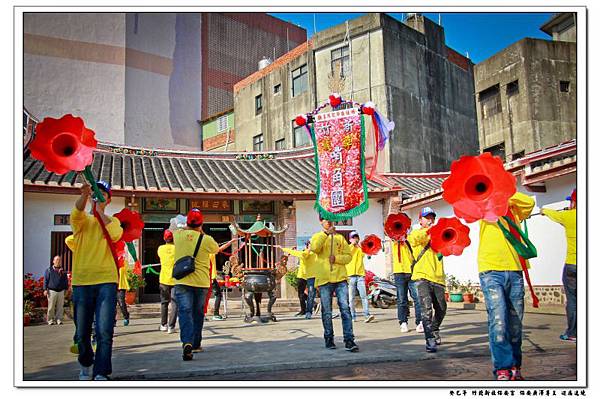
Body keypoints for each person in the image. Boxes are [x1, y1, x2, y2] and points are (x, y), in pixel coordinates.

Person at [478, 192, 535, 381]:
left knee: (516, 324)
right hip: (490, 270)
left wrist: (507, 194)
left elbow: (528, 203)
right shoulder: (483, 203)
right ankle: (502, 368)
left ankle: (515, 366)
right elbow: (466, 208)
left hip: (515, 270)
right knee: (499, 320)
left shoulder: (514, 207)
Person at [70, 180, 123, 381]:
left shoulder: (113, 221)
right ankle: (85, 363)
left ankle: (101, 371)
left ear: (108, 200)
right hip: (82, 280)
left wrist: (99, 211)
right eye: (96, 192)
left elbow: (116, 235)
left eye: (103, 194)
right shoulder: (82, 220)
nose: (99, 196)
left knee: (104, 330)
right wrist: (84, 196)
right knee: (82, 331)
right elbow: (76, 213)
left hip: (106, 281)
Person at [173, 208, 219, 361]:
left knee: (184, 312)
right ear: (201, 223)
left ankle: (187, 341)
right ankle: (196, 344)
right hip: (201, 282)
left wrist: (185, 227)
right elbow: (216, 249)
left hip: (182, 280)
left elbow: (172, 226)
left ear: (187, 222)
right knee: (198, 313)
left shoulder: (178, 235)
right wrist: (201, 232)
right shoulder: (206, 239)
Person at [310, 214, 358, 352]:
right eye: (326, 219)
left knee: (345, 308)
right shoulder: (317, 236)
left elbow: (348, 256)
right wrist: (326, 234)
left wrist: (336, 258)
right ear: (321, 221)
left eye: (331, 219)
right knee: (327, 311)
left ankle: (349, 340)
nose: (329, 222)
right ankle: (329, 338)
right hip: (325, 279)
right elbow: (314, 248)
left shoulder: (340, 238)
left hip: (340, 278)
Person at [408, 207, 447, 353]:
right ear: (420, 220)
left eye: (432, 217)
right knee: (426, 309)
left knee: (442, 308)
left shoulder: (439, 235)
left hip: (438, 277)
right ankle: (429, 338)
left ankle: (434, 328)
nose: (430, 220)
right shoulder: (416, 233)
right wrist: (431, 231)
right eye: (427, 218)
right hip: (421, 276)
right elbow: (415, 239)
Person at [542, 189, 577, 342]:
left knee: (573, 301)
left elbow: (549, 212)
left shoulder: (567, 216)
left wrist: (544, 210)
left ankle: (573, 333)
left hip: (572, 265)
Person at [391, 217, 423, 333]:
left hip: (412, 271)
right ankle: (403, 322)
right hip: (399, 272)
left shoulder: (411, 237)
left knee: (417, 298)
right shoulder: (394, 237)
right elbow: (388, 231)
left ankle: (419, 322)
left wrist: (407, 236)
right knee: (401, 299)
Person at [281, 242, 317, 318]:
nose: (310, 247)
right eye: (309, 245)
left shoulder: (310, 254)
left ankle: (306, 310)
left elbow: (298, 253)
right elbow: (296, 253)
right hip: (303, 275)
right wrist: (290, 250)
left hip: (309, 276)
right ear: (307, 246)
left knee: (307, 294)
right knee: (301, 294)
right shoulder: (306, 253)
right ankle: (308, 307)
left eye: (311, 245)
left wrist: (283, 248)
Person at [346, 232, 375, 323]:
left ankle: (367, 315)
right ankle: (352, 316)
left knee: (364, 296)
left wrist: (362, 245)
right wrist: (352, 245)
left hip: (360, 275)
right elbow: (347, 253)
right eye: (353, 238)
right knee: (351, 298)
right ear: (350, 239)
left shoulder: (360, 249)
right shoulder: (348, 248)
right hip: (350, 276)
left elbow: (367, 254)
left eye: (356, 237)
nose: (355, 239)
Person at [158, 229, 178, 333]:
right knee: (175, 303)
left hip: (164, 279)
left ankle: (163, 324)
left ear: (164, 238)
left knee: (164, 303)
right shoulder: (177, 249)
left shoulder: (160, 248)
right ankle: (171, 326)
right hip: (175, 279)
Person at [44, 255, 69, 325]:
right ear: (53, 261)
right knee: (51, 307)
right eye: (57, 260)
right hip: (52, 291)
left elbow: (65, 281)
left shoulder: (63, 271)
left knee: (60, 307)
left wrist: (66, 289)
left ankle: (59, 319)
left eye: (59, 260)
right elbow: (46, 280)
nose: (58, 261)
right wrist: (45, 289)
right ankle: (50, 320)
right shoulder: (49, 270)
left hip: (61, 291)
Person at [116, 262, 130, 326]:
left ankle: (126, 316)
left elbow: (127, 272)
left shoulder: (123, 262)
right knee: (112, 305)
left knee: (121, 303)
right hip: (112, 285)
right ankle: (113, 321)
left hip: (121, 286)